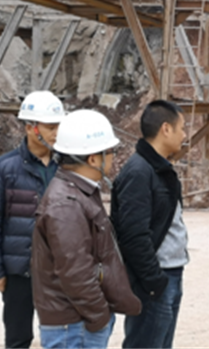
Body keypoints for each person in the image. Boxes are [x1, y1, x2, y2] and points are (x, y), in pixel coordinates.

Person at [31, 110, 141, 349]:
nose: (113, 158)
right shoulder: (66, 204)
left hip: (78, 322)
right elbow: (75, 272)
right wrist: (99, 317)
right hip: (75, 325)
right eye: (110, 152)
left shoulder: (79, 192)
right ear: (93, 159)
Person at [0, 90, 65, 349]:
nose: (56, 133)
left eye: (59, 126)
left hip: (60, 270)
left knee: (62, 337)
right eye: (50, 127)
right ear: (30, 127)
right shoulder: (1, 169)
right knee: (18, 339)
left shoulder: (68, 167)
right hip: (20, 271)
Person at [111, 100, 188, 349]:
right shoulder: (139, 172)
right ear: (166, 129)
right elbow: (133, 235)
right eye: (182, 128)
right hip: (155, 280)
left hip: (169, 273)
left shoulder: (159, 169)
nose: (184, 135)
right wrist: (154, 281)